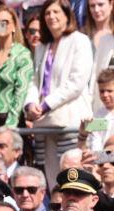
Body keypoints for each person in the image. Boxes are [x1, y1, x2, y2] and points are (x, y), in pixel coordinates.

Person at [24, 0, 94, 184]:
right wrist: (31, 104)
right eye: (47, 13)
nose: (51, 17)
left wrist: (46, 105)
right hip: (44, 123)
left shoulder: (80, 40)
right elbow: (34, 81)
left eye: (56, 12)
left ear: (67, 15)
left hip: (70, 121)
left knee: (73, 177)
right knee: (51, 181)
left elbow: (77, 82)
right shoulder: (42, 46)